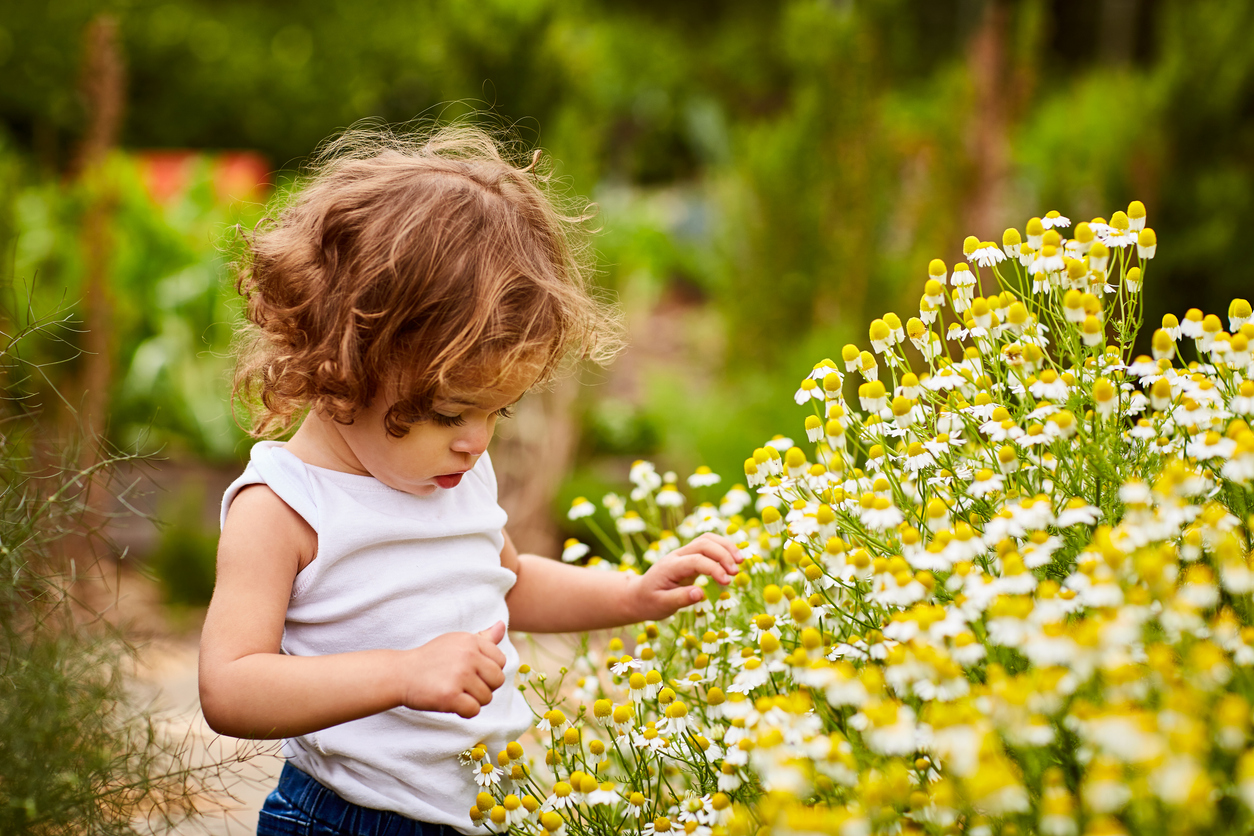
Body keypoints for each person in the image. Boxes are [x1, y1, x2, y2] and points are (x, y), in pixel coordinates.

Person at [199, 124, 743, 836]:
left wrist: (632, 592)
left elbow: (508, 583)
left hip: (485, 813)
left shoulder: (455, 474)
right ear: (343, 361)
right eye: (451, 410)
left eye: (500, 410)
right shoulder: (284, 507)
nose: (478, 441)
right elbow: (230, 685)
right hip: (349, 821)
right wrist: (402, 673)